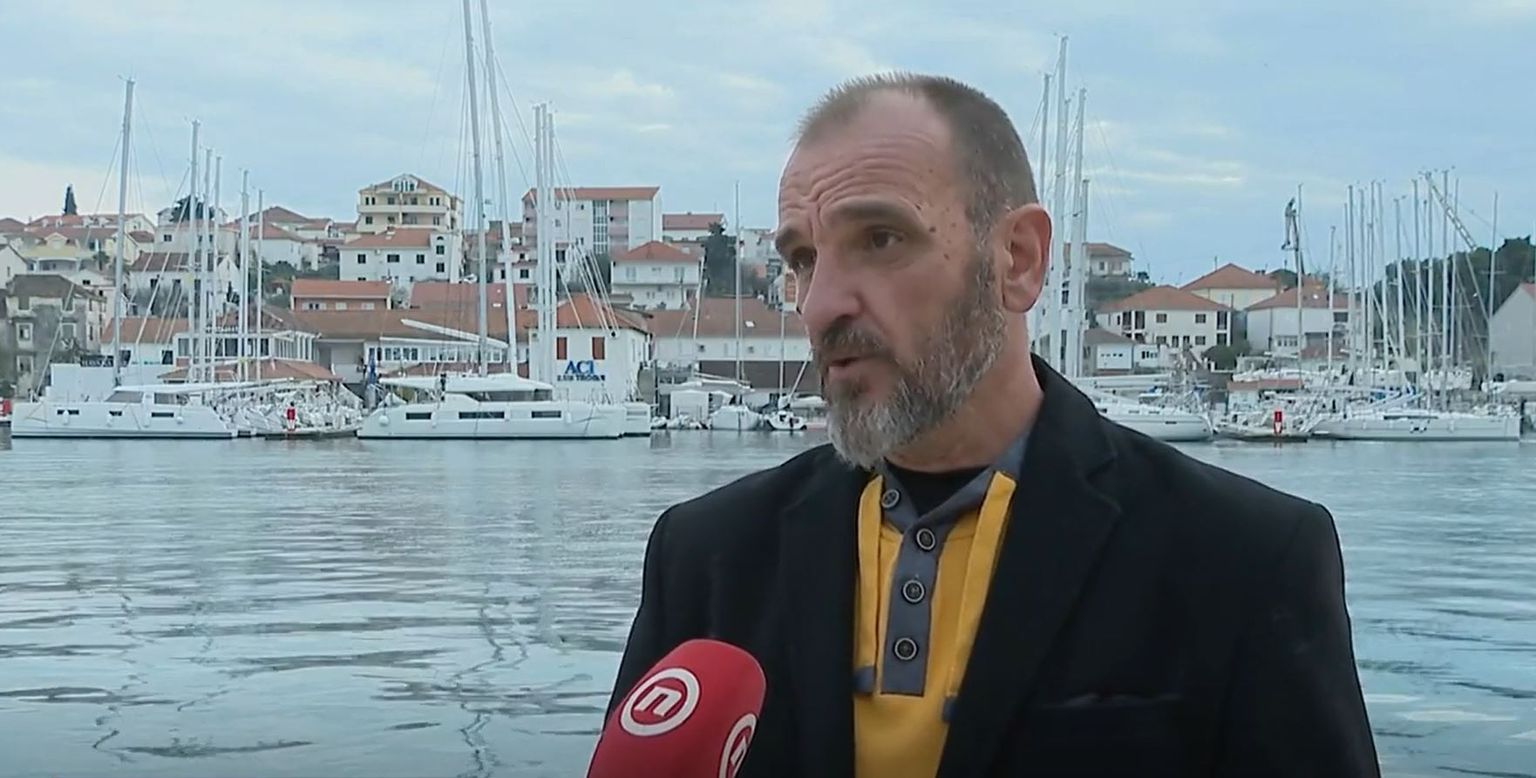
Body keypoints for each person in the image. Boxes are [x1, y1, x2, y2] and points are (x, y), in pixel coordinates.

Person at [610, 73, 1378, 777]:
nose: (820, 305)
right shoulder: (707, 558)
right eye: (803, 259)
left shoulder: (1243, 560)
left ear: (1018, 259)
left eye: (880, 240)